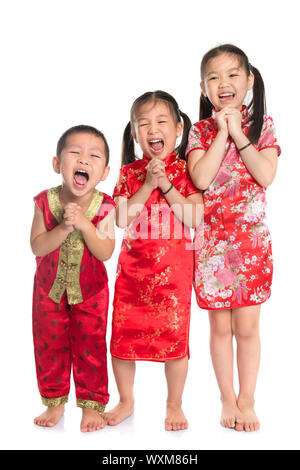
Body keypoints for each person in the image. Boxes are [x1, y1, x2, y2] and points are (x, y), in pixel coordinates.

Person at [186, 44, 281, 432]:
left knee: (247, 329)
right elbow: (201, 178)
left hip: (251, 247)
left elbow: (266, 175)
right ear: (204, 87)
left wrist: (240, 133)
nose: (223, 83)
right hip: (211, 248)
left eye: (232, 74)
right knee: (220, 329)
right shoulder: (198, 130)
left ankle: (248, 397)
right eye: (213, 76)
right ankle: (227, 397)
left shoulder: (263, 124)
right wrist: (222, 134)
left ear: (249, 80)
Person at [102, 91, 203, 431]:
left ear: (177, 128)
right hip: (133, 274)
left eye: (161, 122)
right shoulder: (129, 172)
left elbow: (193, 217)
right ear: (134, 134)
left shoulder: (188, 169)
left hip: (174, 276)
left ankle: (174, 403)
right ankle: (126, 399)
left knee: (175, 341)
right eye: (143, 124)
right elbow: (121, 218)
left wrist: (168, 186)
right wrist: (148, 184)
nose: (152, 129)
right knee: (122, 338)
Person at [30, 125, 115, 432]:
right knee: (48, 345)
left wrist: (84, 225)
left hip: (91, 293)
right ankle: (54, 401)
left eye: (93, 156)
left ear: (104, 172)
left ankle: (91, 404)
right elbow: (36, 246)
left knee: (90, 345)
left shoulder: (104, 205)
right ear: (57, 164)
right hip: (48, 291)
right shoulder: (45, 201)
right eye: (75, 153)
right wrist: (63, 228)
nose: (84, 160)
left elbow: (105, 251)